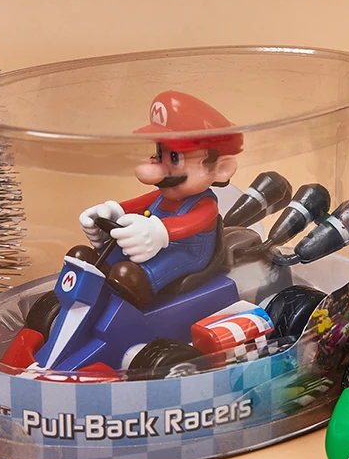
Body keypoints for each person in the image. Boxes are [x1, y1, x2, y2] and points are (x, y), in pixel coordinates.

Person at [72, 91, 243, 309]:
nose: (159, 164)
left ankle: (138, 294)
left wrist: (160, 232)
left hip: (186, 253)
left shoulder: (205, 204)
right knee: (99, 257)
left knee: (135, 273)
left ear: (221, 169)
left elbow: (190, 223)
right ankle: (96, 279)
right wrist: (112, 211)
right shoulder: (164, 194)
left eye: (175, 157)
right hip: (153, 244)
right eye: (160, 153)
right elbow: (138, 203)